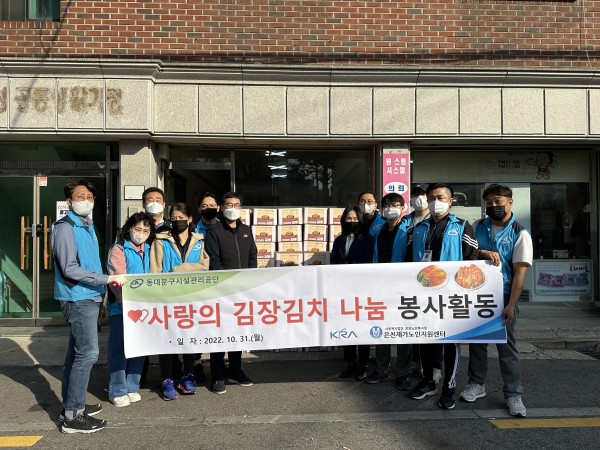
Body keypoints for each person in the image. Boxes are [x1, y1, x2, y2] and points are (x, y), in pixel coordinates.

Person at [52, 179, 127, 433]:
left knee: (76, 354)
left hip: (90, 296)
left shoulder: (87, 226)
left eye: (90, 197)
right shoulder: (65, 227)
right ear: (69, 202)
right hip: (77, 297)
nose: (86, 201)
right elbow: (69, 268)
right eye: (80, 196)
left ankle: (71, 404)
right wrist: (106, 280)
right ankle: (73, 416)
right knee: (87, 354)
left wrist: (101, 290)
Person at [459, 184, 533, 417]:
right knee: (477, 342)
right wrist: (482, 252)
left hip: (504, 295)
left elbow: (520, 274)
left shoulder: (520, 233)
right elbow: (467, 254)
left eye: (498, 201)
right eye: (489, 202)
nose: (493, 206)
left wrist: (511, 304)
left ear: (510, 202)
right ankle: (476, 384)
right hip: (477, 293)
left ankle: (513, 394)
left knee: (506, 346)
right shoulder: (476, 226)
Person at [407, 183, 478, 410]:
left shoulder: (462, 226)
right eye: (431, 197)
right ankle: (428, 381)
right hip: (424, 295)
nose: (435, 202)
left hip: (451, 296)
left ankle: (449, 386)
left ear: (450, 201)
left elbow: (472, 260)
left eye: (440, 197)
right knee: (425, 339)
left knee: (450, 343)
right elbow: (406, 263)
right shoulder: (417, 229)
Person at [150, 203, 210, 400]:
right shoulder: (160, 241)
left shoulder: (200, 240)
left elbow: (205, 265)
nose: (178, 221)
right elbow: (155, 270)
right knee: (167, 340)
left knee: (189, 339)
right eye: (174, 218)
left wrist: (180, 269)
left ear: (190, 219)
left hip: (192, 297)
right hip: (168, 297)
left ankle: (188, 376)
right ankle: (167, 379)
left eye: (182, 218)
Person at [204, 192, 257, 395]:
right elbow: (214, 260)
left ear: (241, 208)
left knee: (237, 333)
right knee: (219, 333)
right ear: (221, 207)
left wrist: (249, 282)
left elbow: (252, 256)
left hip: (242, 291)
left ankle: (236, 370)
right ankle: (217, 374)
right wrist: (225, 285)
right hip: (222, 291)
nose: (232, 208)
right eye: (228, 205)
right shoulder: (214, 231)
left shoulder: (246, 230)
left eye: (236, 205)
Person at [364, 193, 412, 391]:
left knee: (404, 332)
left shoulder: (409, 230)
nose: (391, 208)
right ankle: (381, 370)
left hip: (403, 287)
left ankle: (403, 374)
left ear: (403, 208)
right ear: (382, 209)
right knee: (382, 330)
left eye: (395, 205)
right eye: (387, 205)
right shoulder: (379, 230)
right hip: (381, 286)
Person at [106, 212, 154, 408]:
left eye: (145, 230)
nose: (141, 234)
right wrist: (127, 301)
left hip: (143, 308)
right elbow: (117, 279)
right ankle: (117, 390)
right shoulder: (118, 249)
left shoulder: (149, 249)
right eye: (137, 229)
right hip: (121, 306)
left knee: (139, 347)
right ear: (129, 229)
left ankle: (132, 386)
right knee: (119, 348)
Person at [330, 206, 374, 380]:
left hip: (362, 289)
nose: (352, 221)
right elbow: (333, 263)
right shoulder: (339, 240)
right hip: (343, 290)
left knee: (361, 327)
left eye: (355, 219)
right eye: (348, 218)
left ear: (361, 220)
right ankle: (350, 363)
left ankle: (363, 364)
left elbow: (368, 262)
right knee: (346, 326)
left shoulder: (368, 239)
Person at [192, 192, 221, 384]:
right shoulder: (193, 231)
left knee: (217, 325)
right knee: (197, 325)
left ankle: (219, 364)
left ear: (218, 208)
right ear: (199, 209)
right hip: (198, 285)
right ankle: (196, 363)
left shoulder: (224, 227)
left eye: (212, 205)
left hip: (219, 284)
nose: (208, 208)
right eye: (204, 206)